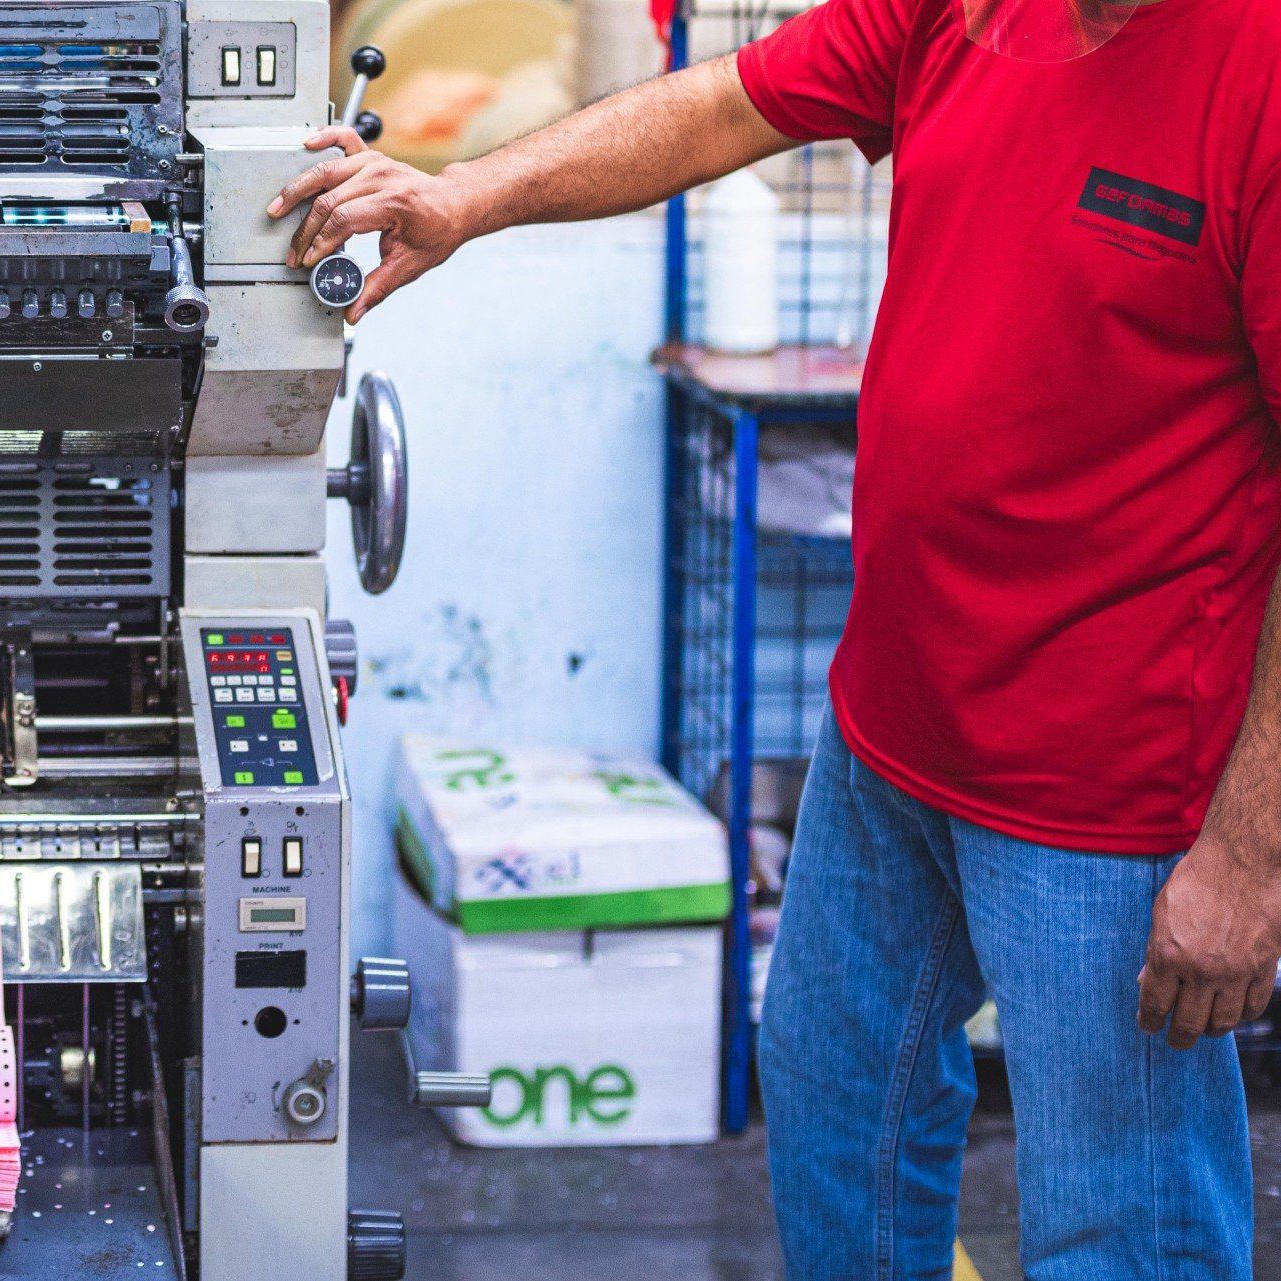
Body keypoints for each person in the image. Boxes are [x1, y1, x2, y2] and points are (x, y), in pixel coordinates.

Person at [272, 1, 1281, 1274]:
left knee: (1121, 1224)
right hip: (891, 728)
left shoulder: (1257, 71)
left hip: (1103, 792)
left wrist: (1251, 855)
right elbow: (722, 106)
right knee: (832, 1105)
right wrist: (466, 199)